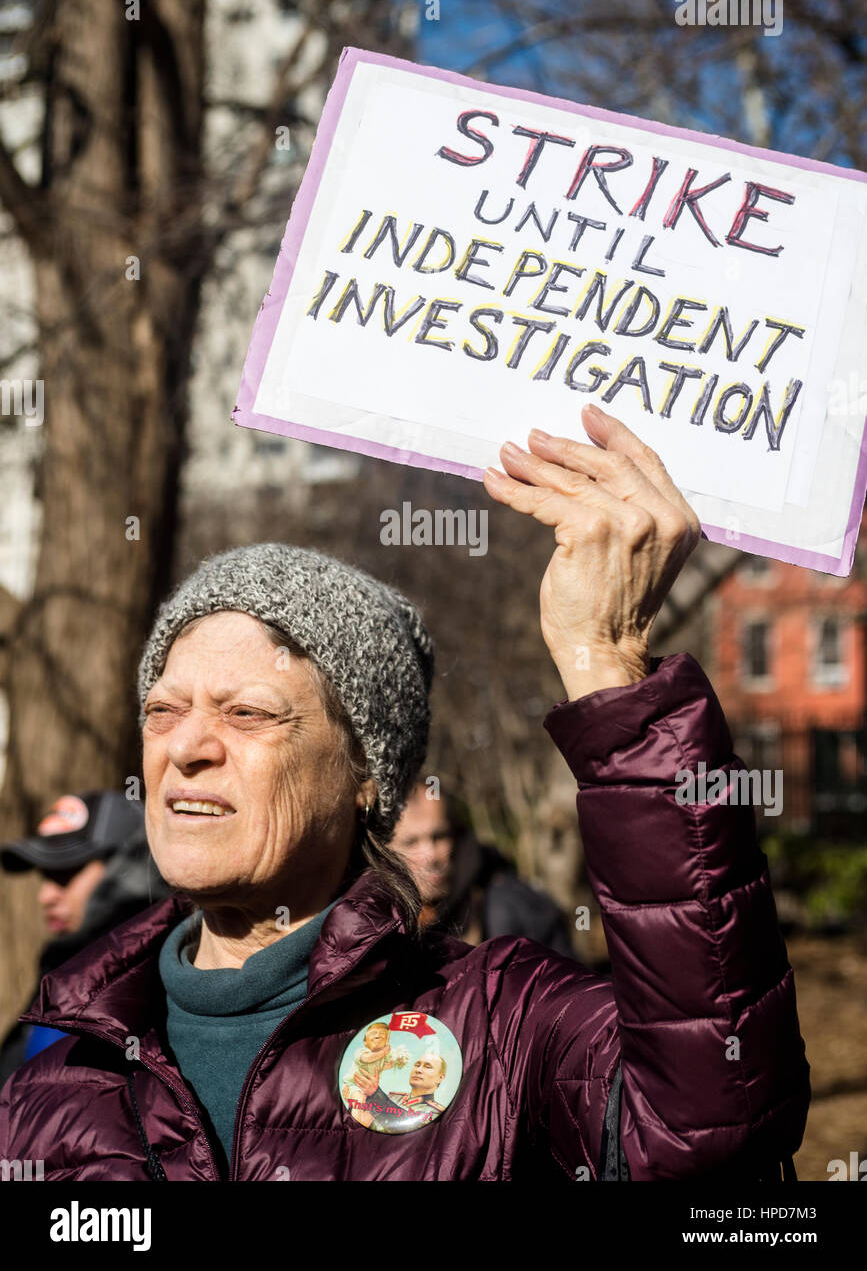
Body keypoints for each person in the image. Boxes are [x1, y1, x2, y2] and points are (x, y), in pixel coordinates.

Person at [0, 410, 810, 1180]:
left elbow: (710, 1128)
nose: (185, 748)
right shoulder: (53, 1074)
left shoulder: (504, 1026)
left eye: (247, 713)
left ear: (365, 775)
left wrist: (604, 659)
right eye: (163, 710)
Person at [0, 791, 169, 1084]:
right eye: (45, 877)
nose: (45, 896)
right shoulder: (65, 969)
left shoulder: (162, 982)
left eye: (66, 874)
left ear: (125, 868)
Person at [392, 777, 574, 953]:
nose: (430, 855)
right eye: (411, 842)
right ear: (384, 851)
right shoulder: (376, 924)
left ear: (456, 836)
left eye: (440, 837)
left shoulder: (514, 909)